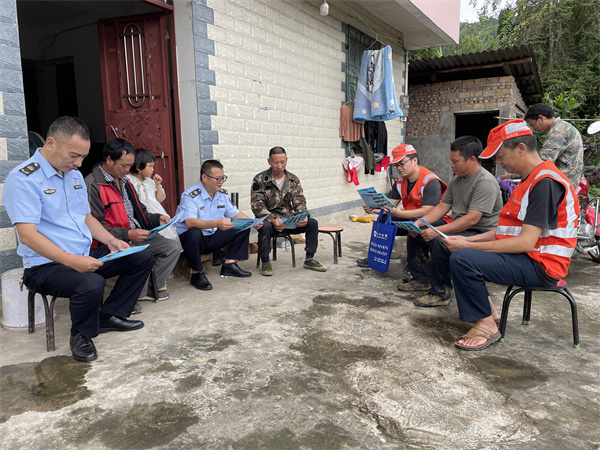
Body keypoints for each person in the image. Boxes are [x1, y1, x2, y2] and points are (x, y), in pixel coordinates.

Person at [2, 116, 155, 362]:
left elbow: (85, 217)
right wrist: (73, 262)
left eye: (83, 157)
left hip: (82, 255)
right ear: (50, 143)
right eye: (74, 155)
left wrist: (111, 241)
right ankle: (81, 335)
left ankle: (109, 315)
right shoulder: (23, 179)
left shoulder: (73, 175)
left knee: (142, 256)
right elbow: (27, 236)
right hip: (45, 266)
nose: (79, 163)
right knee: (91, 282)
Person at [444, 119, 578, 351]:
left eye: (500, 156)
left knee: (463, 258)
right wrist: (467, 240)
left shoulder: (545, 183)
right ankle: (488, 312)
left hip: (543, 266)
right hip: (529, 257)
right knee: (459, 250)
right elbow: (506, 231)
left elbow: (525, 242)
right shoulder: (530, 179)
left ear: (521, 149)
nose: (498, 162)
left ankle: (486, 324)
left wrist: (467, 246)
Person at [400, 136, 503, 307]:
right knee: (418, 232)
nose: (452, 165)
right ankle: (421, 278)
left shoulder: (485, 182)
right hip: (462, 227)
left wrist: (438, 232)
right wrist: (418, 223)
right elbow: (442, 207)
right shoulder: (457, 179)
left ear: (472, 160)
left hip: (481, 232)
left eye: (455, 161)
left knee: (441, 241)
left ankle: (440, 293)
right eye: (451, 161)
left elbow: (472, 219)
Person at [85, 139, 181, 309]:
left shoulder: (125, 182)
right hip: (112, 242)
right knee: (141, 255)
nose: (127, 170)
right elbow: (94, 225)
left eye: (130, 165)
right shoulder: (94, 185)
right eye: (124, 165)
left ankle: (149, 286)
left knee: (171, 247)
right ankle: (131, 294)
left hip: (135, 235)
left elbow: (140, 211)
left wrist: (157, 218)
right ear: (109, 160)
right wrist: (126, 234)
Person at [356, 144, 450, 282]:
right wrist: (375, 210)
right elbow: (391, 205)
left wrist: (399, 214)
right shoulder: (400, 181)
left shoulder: (430, 181)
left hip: (436, 219)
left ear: (415, 160)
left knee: (418, 231)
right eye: (396, 165)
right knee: (383, 220)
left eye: (402, 163)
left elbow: (428, 210)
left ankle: (417, 270)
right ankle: (377, 256)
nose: (399, 168)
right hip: (412, 217)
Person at [175, 159, 260, 290]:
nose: (221, 181)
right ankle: (197, 274)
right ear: (204, 177)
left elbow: (235, 214)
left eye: (223, 178)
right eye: (217, 178)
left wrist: (253, 222)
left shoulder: (221, 195)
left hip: (212, 237)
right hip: (192, 242)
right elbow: (190, 222)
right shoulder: (190, 196)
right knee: (194, 232)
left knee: (242, 226)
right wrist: (216, 223)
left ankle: (229, 264)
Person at [251, 146, 326, 276]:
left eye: (282, 162)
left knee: (312, 223)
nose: (279, 166)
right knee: (265, 227)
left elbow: (299, 200)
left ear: (286, 160)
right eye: (276, 162)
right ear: (269, 161)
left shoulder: (293, 179)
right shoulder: (260, 179)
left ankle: (309, 259)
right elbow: (257, 205)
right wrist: (272, 219)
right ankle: (265, 261)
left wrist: (303, 216)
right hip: (270, 220)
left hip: (288, 220)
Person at [524, 103, 583, 188]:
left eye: (532, 124)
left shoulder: (558, 132)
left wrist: (514, 174)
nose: (533, 129)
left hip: (562, 185)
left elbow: (542, 164)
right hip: (569, 181)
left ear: (541, 118)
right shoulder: (563, 126)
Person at [126, 148, 180, 242]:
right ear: (138, 167)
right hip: (140, 214)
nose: (153, 169)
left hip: (155, 213)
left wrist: (157, 185)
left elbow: (160, 199)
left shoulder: (150, 182)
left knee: (164, 239)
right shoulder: (129, 181)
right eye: (150, 166)